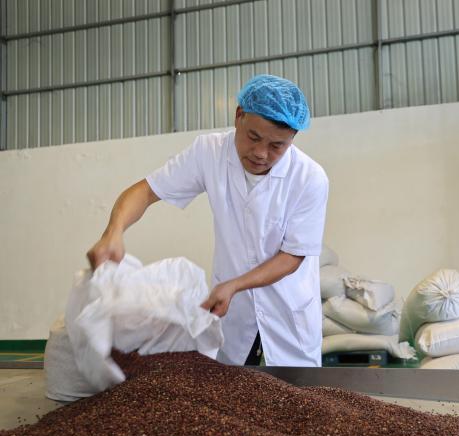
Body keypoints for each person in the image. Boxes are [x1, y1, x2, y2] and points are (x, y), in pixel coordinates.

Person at [86, 74, 329, 367]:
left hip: (287, 313)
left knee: (298, 392)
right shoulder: (209, 152)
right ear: (238, 115)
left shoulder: (309, 178)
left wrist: (235, 285)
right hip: (234, 316)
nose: (261, 153)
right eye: (253, 137)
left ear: (292, 139)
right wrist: (113, 232)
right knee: (232, 387)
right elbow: (146, 191)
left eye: (277, 145)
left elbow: (292, 256)